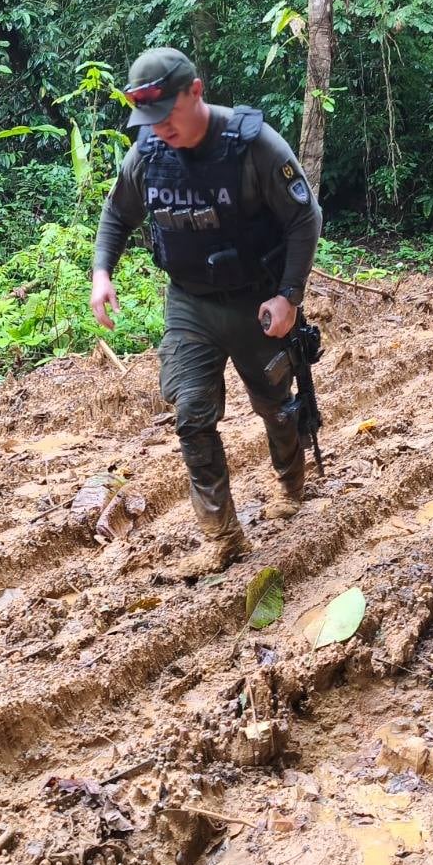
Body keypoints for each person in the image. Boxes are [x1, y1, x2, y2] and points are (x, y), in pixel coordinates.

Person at [90, 47, 323, 576]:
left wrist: (288, 296)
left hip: (256, 302)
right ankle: (222, 537)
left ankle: (290, 485)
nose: (159, 129)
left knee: (275, 407)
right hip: (190, 303)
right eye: (148, 119)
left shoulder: (254, 146)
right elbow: (117, 212)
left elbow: (304, 220)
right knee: (191, 416)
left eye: (167, 114)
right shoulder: (148, 153)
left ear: (195, 91)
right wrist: (102, 273)